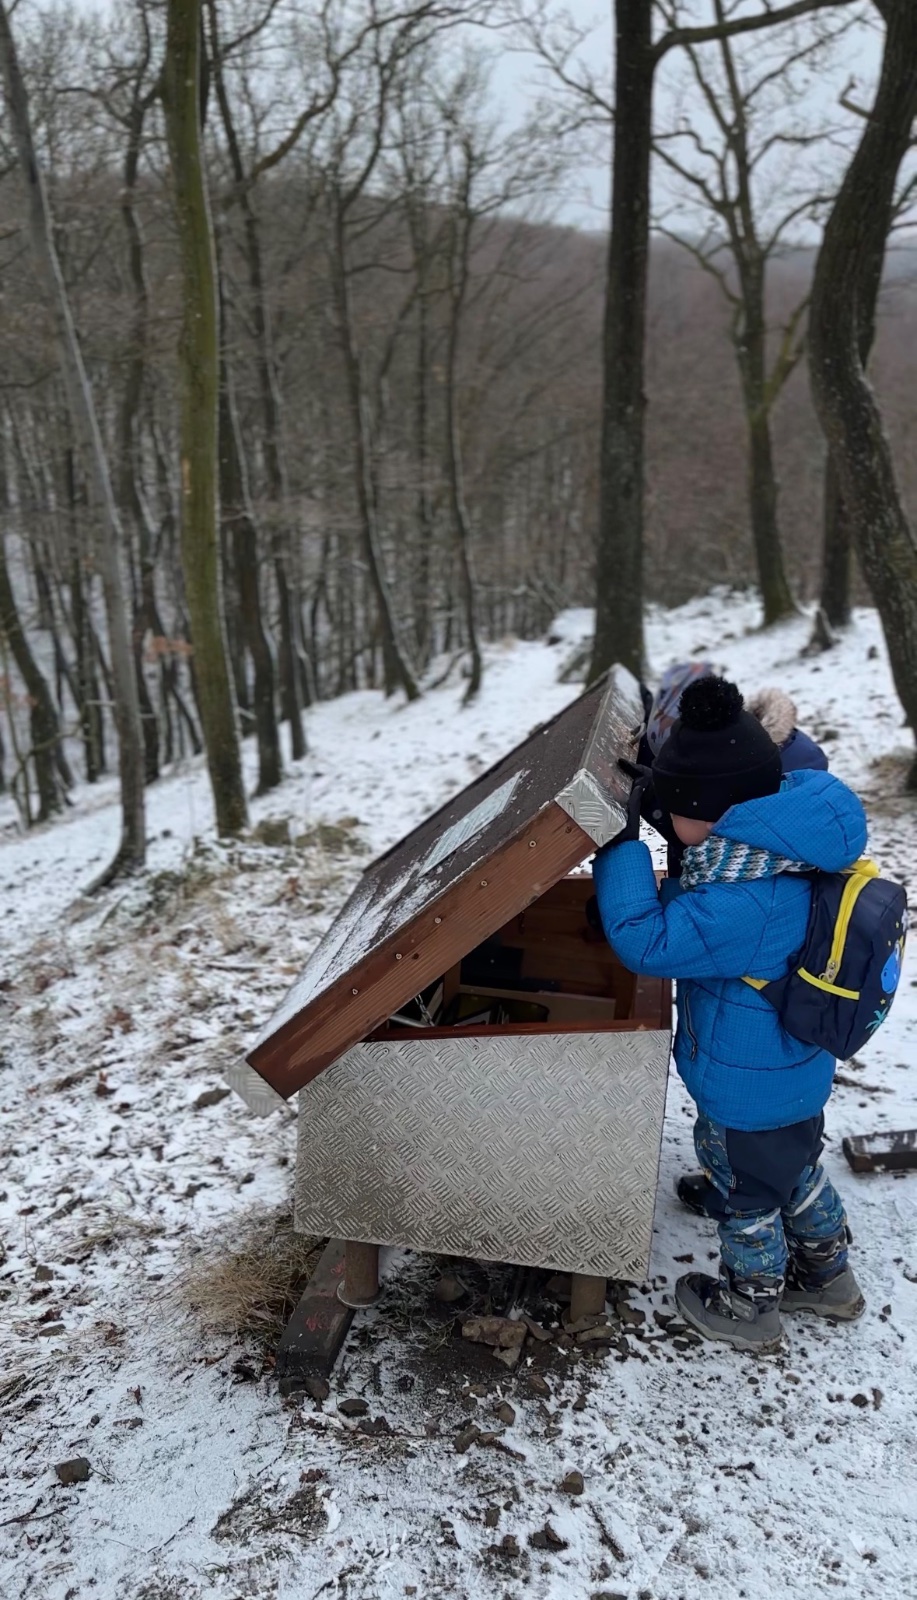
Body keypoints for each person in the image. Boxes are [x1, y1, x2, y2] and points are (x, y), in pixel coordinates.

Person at [592, 674, 866, 1353]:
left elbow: (648, 942)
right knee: (794, 1167)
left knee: (747, 1194)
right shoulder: (779, 848)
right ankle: (828, 1276)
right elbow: (703, 897)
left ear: (709, 814)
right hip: (789, 1069)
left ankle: (750, 1304)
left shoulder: (742, 900)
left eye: (673, 809)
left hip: (746, 1085)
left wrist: (621, 850)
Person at [638, 664, 828, 877]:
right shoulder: (740, 756)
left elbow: (701, 849)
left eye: (674, 812)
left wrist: (626, 851)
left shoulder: (745, 870)